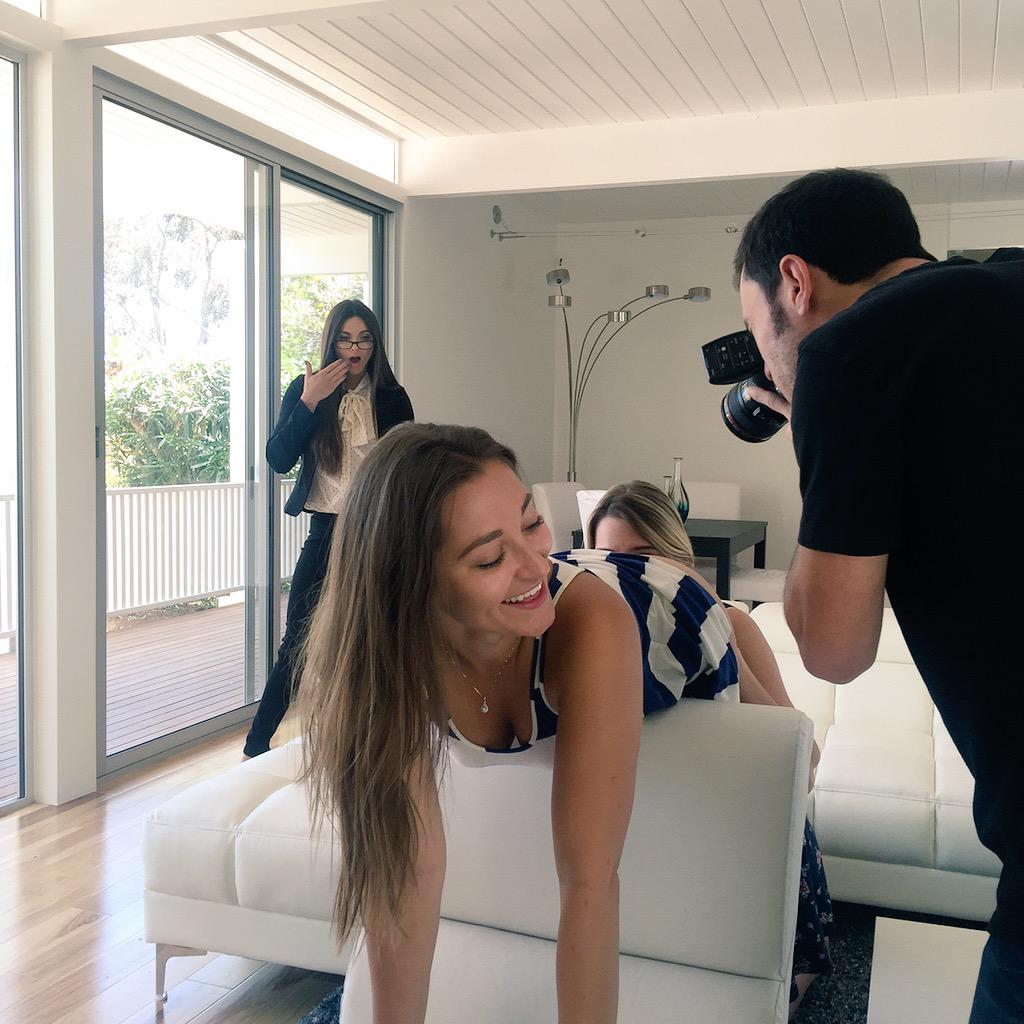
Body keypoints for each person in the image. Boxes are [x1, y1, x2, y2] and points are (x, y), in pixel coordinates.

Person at [301, 424, 747, 1024]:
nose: (537, 562)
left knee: (760, 681)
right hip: (588, 592)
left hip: (667, 608)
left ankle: (744, 625)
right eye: (490, 557)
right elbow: (405, 874)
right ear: (411, 587)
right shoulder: (383, 659)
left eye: (532, 521)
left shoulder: (589, 624)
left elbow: (590, 883)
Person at [733, 167, 1024, 1024]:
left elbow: (833, 648)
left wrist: (820, 438)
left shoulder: (846, 353)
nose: (766, 363)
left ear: (795, 282)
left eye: (758, 333)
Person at [588, 480, 833, 1016]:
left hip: (739, 823)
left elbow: (806, 763)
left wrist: (718, 641)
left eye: (644, 556)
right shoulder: (590, 639)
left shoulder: (733, 622)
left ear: (678, 559)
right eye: (611, 559)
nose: (630, 573)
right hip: (651, 825)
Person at [242, 299, 413, 758]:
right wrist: (309, 400)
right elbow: (278, 459)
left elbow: (406, 468)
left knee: (374, 638)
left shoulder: (392, 398)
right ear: (331, 342)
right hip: (326, 531)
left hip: (377, 532)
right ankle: (255, 745)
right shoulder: (307, 389)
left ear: (375, 345)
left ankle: (371, 741)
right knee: (297, 639)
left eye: (364, 339)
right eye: (345, 339)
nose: (354, 349)